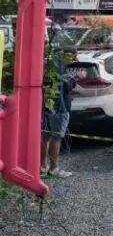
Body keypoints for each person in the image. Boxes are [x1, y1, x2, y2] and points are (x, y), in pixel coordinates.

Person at [41, 49, 84, 178]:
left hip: (48, 106)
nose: (74, 61)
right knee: (57, 137)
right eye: (73, 58)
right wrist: (78, 76)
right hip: (60, 107)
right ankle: (54, 168)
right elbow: (66, 85)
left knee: (45, 136)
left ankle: (42, 167)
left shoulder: (50, 65)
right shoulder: (61, 67)